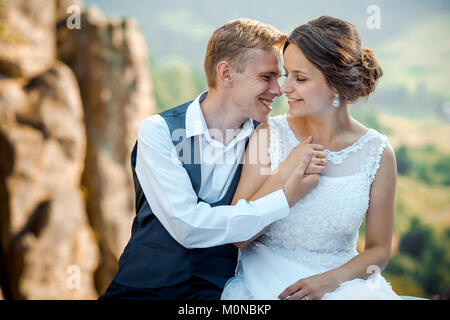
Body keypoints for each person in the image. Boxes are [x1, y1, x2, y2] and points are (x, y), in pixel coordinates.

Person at [99, 18, 326, 300]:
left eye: (278, 78)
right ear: (226, 74)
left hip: (221, 294)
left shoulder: (268, 140)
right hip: (143, 290)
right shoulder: (158, 131)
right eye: (266, 77)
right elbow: (188, 226)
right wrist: (284, 199)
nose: (278, 89)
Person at [221, 16, 401, 300]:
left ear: (337, 84)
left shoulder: (378, 153)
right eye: (286, 75)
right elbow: (238, 234)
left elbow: (379, 250)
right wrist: (285, 173)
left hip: (342, 285)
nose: (283, 88)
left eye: (300, 78)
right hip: (269, 283)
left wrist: (330, 280)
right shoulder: (268, 135)